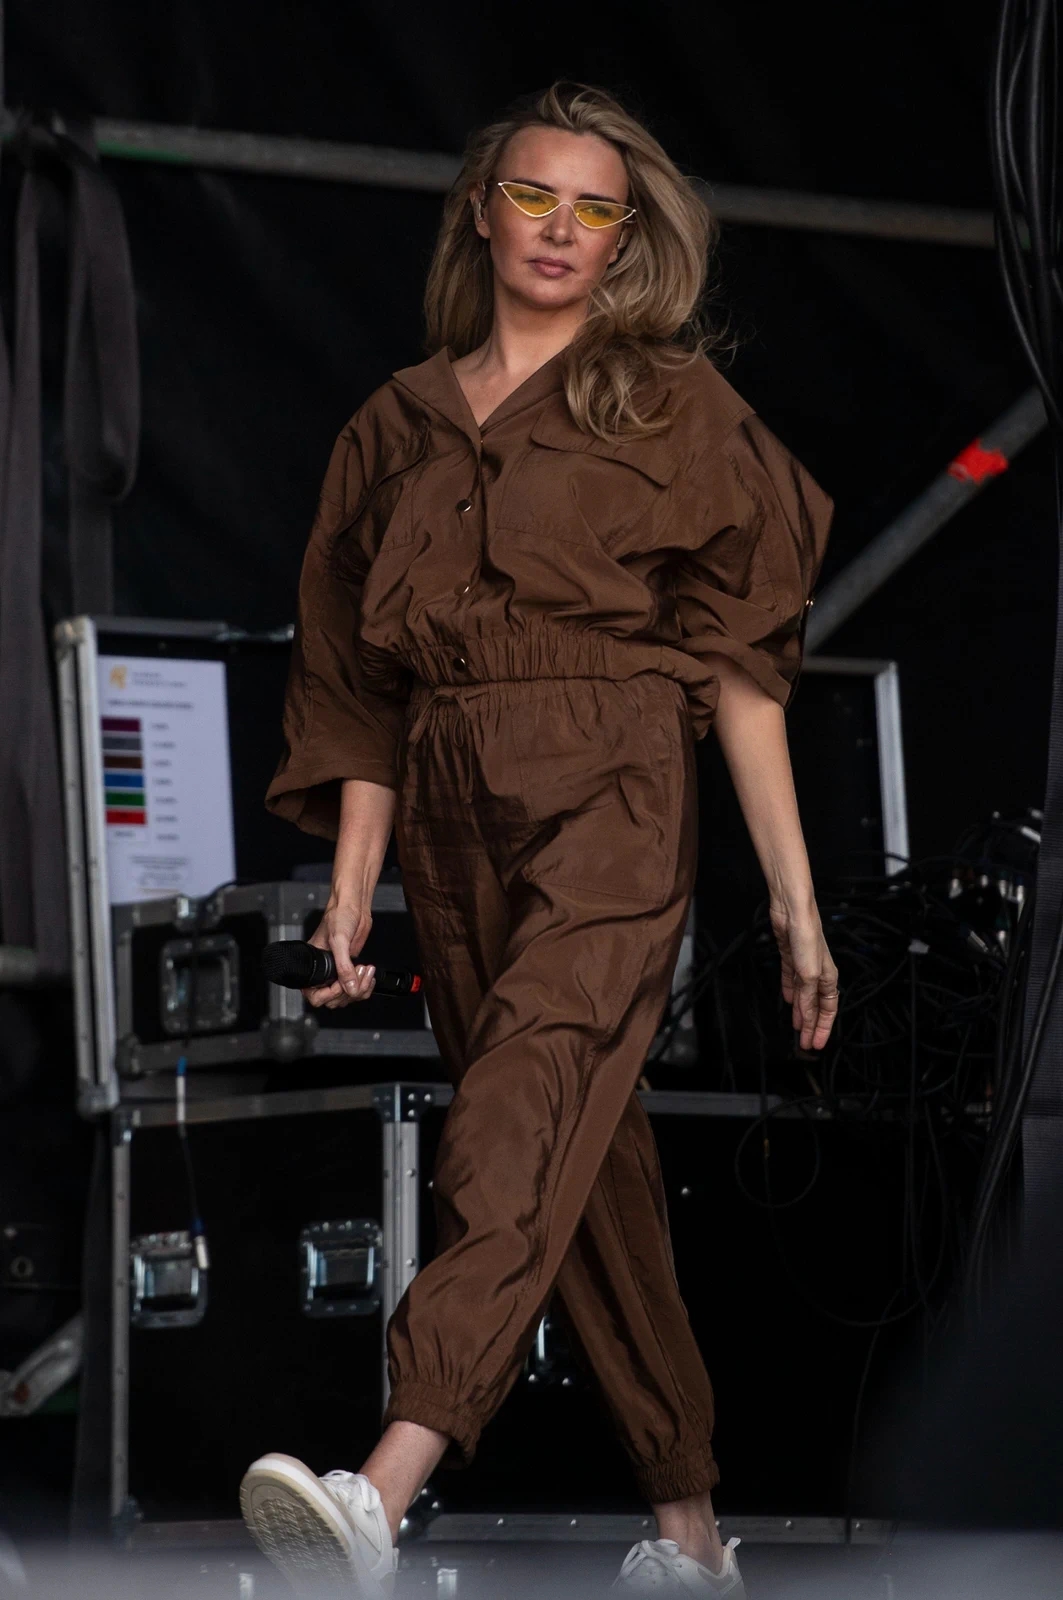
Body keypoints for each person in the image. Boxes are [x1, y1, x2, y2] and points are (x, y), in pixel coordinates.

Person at [239, 81, 839, 1599]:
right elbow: (359, 693)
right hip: (449, 804)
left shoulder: (677, 408)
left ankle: (387, 1482)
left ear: (626, 236)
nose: (561, 230)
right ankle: (691, 1532)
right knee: (585, 1156)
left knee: (516, 1110)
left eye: (594, 208)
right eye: (533, 197)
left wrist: (794, 900)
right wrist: (351, 891)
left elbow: (743, 674)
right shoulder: (395, 425)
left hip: (614, 782)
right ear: (480, 212)